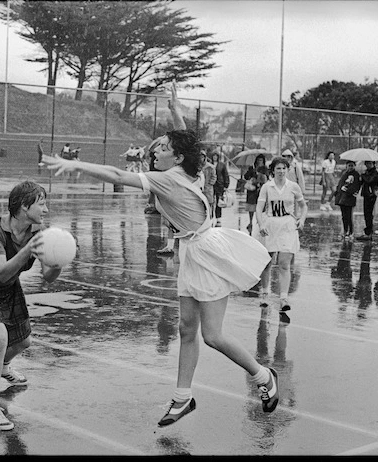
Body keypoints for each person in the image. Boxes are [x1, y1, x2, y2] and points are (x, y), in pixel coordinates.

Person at [42, 85, 279, 428]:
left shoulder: (166, 180)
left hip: (208, 252)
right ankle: (182, 399)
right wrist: (176, 111)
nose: (157, 150)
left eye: (164, 148)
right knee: (186, 328)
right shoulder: (187, 168)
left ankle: (262, 377)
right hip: (194, 250)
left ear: (177, 157)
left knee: (212, 335)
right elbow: (188, 143)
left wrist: (74, 162)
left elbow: (118, 175)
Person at [0, 181, 65, 431]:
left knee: (23, 342)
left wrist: (59, 261)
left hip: (8, 292)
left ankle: (3, 366)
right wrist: (29, 249)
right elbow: (2, 272)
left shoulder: (38, 233)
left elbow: (48, 277)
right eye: (41, 204)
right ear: (24, 206)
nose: (46, 210)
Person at [256, 156, 308, 313]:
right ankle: (265, 293)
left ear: (287, 169)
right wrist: (261, 224)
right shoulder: (267, 187)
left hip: (287, 225)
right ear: (273, 170)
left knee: (284, 263)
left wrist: (302, 220)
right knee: (267, 262)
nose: (281, 171)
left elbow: (303, 206)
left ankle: (283, 297)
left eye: (284, 168)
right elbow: (259, 208)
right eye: (278, 168)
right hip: (271, 224)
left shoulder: (293, 186)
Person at [334, 161, 361, 240]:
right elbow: (340, 184)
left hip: (349, 198)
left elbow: (356, 186)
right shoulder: (344, 174)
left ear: (354, 166)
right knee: (344, 216)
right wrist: (338, 191)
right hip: (342, 198)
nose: (350, 167)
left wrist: (349, 190)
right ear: (346, 166)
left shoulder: (356, 174)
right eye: (349, 165)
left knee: (349, 215)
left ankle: (351, 231)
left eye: (352, 166)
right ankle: (345, 230)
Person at [243, 154, 269, 235]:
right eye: (258, 160)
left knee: (261, 207)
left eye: (261, 160)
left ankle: (259, 222)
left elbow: (267, 179)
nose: (259, 162)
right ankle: (250, 222)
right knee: (251, 207)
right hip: (252, 191)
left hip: (261, 191)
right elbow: (246, 176)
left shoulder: (265, 169)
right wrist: (252, 172)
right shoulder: (252, 168)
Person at [356, 161, 378, 241]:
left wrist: (363, 176)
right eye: (366, 164)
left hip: (371, 194)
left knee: (369, 213)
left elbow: (369, 180)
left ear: (373, 164)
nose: (368, 165)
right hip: (366, 193)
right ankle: (367, 231)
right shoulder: (367, 172)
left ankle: (369, 233)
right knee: (366, 213)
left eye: (369, 164)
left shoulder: (375, 172)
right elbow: (362, 182)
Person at [211, 151, 230, 227]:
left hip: (220, 185)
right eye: (213, 156)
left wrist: (226, 185)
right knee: (211, 201)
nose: (215, 157)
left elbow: (226, 175)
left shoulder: (222, 165)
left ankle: (218, 218)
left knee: (219, 202)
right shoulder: (210, 164)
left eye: (216, 156)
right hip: (211, 185)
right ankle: (211, 217)